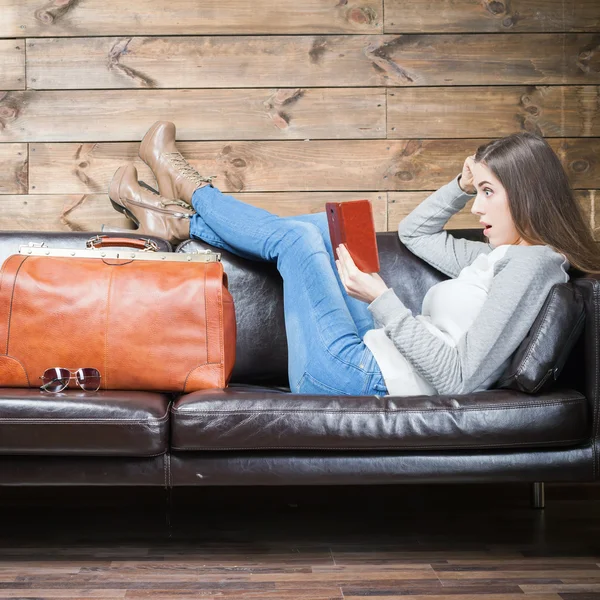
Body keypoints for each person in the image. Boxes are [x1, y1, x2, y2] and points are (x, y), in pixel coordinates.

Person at [107, 122, 600, 397]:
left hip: (357, 376)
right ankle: (174, 221)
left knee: (298, 241)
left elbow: (459, 379)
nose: (476, 207)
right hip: (374, 353)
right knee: (329, 228)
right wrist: (460, 182)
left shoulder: (532, 265)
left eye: (489, 193)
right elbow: (415, 232)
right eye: (479, 192)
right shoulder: (496, 257)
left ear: (527, 195)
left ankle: (186, 189)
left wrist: (382, 298)